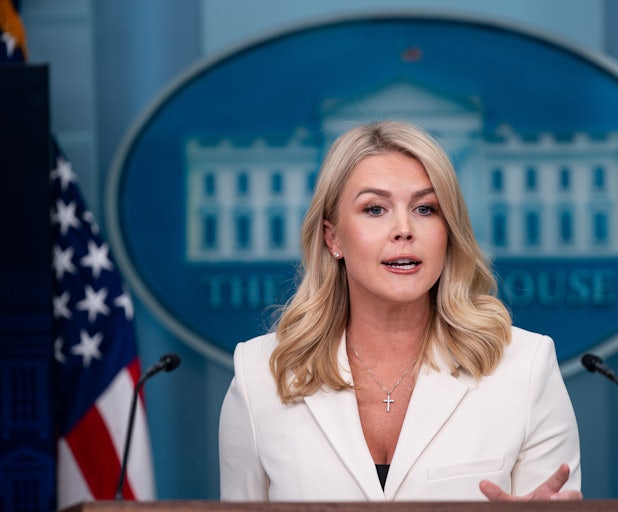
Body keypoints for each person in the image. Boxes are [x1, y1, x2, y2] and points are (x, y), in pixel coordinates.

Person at [219, 120, 582, 501]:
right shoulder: (259, 375)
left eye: (425, 208)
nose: (404, 229)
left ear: (448, 231)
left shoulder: (526, 366)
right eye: (375, 209)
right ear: (333, 237)